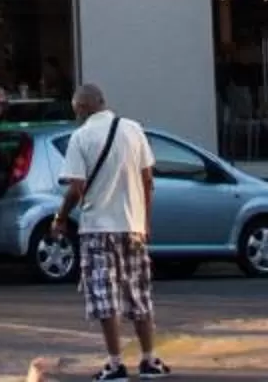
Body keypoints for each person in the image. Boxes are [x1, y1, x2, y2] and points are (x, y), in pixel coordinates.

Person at [56, 80, 165, 380]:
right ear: (103, 101)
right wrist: (145, 222)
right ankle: (149, 360)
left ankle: (115, 364)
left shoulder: (81, 137)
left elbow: (76, 189)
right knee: (139, 295)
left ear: (80, 108)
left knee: (106, 298)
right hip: (133, 226)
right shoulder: (133, 129)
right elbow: (148, 181)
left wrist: (60, 217)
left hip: (97, 229)